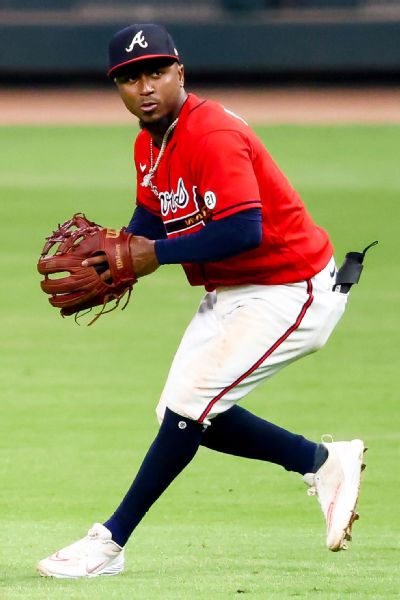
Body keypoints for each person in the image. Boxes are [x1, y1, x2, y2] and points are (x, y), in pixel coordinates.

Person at [37, 23, 365, 579]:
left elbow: (244, 231)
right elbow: (151, 215)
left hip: (292, 289)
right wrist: (116, 255)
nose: (145, 87)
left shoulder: (211, 133)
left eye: (157, 73)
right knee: (179, 413)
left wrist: (153, 256)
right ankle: (322, 462)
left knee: (192, 406)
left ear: (180, 73)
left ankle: (108, 542)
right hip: (234, 290)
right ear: (116, 87)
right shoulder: (149, 141)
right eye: (130, 77)